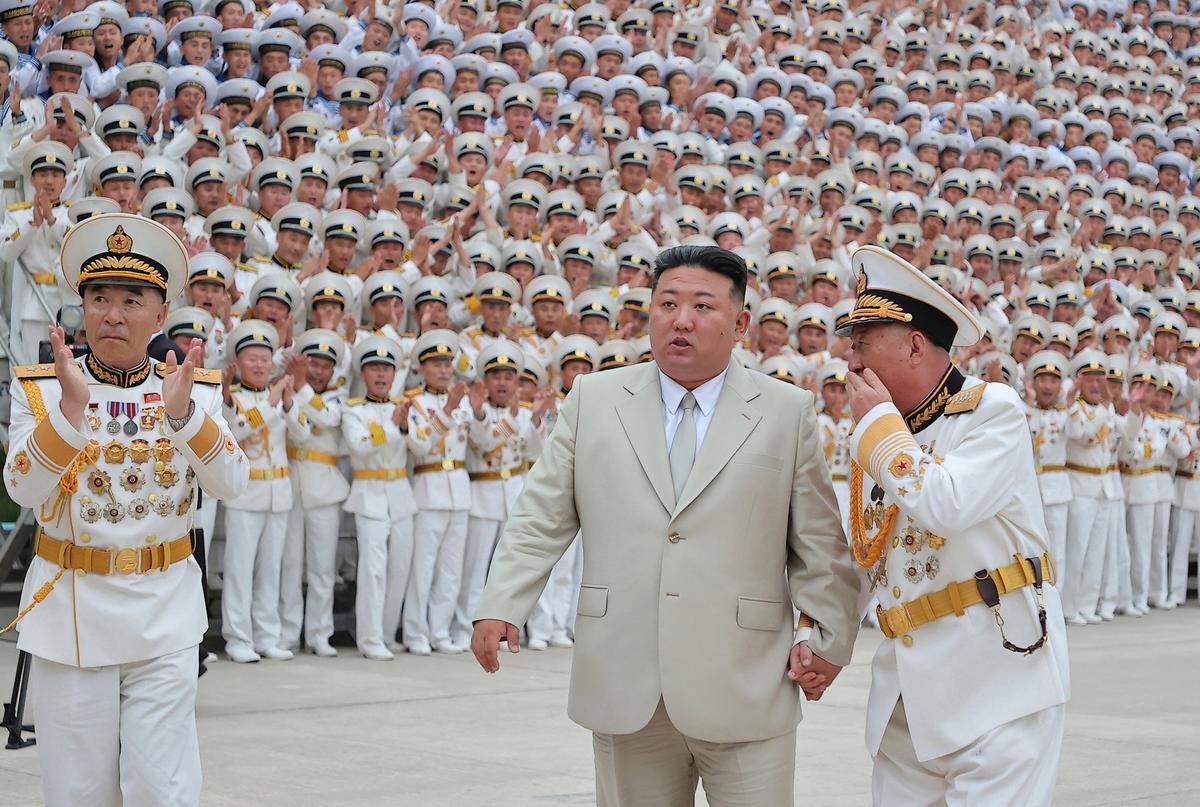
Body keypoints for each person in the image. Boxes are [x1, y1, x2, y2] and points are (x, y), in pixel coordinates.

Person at [472, 244, 861, 805]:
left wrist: (829, 638)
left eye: (703, 306)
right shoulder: (593, 400)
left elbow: (818, 543)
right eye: (667, 303)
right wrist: (501, 602)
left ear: (741, 323)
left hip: (745, 681)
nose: (681, 320)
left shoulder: (785, 411)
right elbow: (541, 514)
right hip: (629, 682)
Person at [2, 212, 248, 806]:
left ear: (161, 314)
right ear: (81, 307)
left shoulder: (195, 389)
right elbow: (22, 489)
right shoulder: (39, 387)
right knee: (78, 792)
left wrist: (184, 415)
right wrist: (69, 410)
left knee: (163, 789)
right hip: (71, 610)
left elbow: (233, 482)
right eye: (99, 298)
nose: (113, 314)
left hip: (164, 609)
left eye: (132, 300)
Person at [840, 245, 1069, 806]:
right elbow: (864, 556)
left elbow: (947, 503)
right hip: (907, 702)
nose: (851, 363)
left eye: (863, 344)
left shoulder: (991, 409)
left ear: (915, 343)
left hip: (997, 681)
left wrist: (877, 430)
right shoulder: (882, 434)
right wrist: (818, 640)